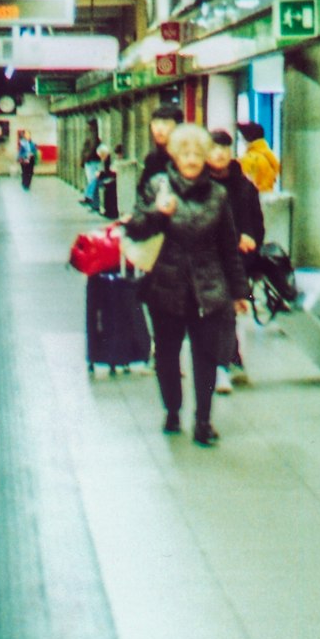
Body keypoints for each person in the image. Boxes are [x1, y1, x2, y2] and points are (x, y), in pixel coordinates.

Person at [124, 122, 249, 446]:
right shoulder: (157, 186)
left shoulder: (219, 195)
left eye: (198, 153)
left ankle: (204, 421)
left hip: (208, 287)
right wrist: (159, 213)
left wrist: (239, 292)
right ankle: (172, 411)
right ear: (175, 156)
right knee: (166, 355)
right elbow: (135, 228)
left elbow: (228, 246)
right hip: (165, 285)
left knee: (206, 356)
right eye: (185, 153)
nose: (192, 159)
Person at [207, 129, 264, 392]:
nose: (219, 154)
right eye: (213, 148)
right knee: (220, 313)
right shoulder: (199, 185)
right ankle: (229, 361)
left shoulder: (244, 186)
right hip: (206, 259)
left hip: (236, 261)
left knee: (227, 312)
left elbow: (257, 225)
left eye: (224, 149)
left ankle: (223, 366)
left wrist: (250, 237)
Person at [138, 101, 184, 191]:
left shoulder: (186, 156)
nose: (159, 129)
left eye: (165, 123)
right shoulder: (152, 158)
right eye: (155, 123)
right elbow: (142, 191)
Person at [236, 121, 281, 193]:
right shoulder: (269, 156)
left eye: (241, 137)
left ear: (247, 138)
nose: (241, 140)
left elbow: (243, 187)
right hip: (267, 197)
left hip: (252, 201)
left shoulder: (248, 159)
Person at [80, 117, 102, 208]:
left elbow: (91, 148)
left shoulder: (92, 135)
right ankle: (93, 203)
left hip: (91, 162)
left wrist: (85, 159)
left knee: (93, 181)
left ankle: (89, 197)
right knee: (93, 181)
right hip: (91, 161)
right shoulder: (94, 135)